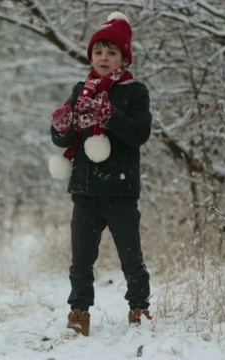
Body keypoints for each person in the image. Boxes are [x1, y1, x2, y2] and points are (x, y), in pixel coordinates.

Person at [49, 11, 153, 337]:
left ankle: (139, 309)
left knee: (130, 258)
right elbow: (66, 138)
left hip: (120, 190)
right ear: (90, 55)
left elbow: (139, 133)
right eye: (98, 51)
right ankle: (78, 313)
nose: (103, 58)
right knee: (80, 261)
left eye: (111, 52)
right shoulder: (80, 89)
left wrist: (111, 116)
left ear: (124, 57)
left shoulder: (135, 92)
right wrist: (61, 129)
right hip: (84, 189)